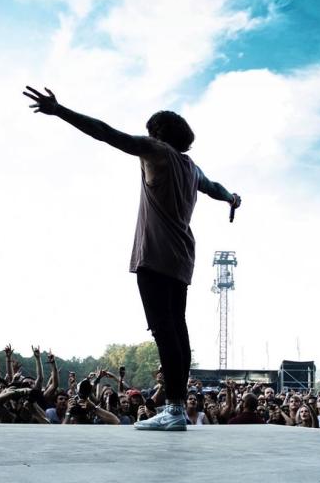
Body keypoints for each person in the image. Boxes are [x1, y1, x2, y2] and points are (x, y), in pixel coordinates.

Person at [24, 86, 241, 431]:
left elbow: (107, 133)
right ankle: (177, 408)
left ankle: (172, 409)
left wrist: (60, 110)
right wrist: (232, 198)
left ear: (157, 133)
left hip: (155, 256)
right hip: (182, 257)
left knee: (165, 333)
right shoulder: (191, 168)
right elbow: (213, 186)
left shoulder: (155, 151)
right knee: (178, 331)